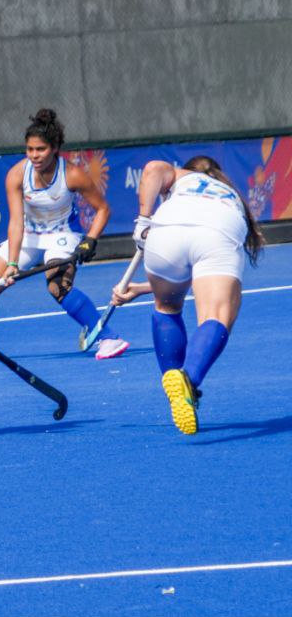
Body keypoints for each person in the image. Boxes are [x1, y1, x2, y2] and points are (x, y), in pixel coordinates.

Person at [0, 109, 130, 362]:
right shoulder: (16, 174)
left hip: (63, 234)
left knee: (58, 287)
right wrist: (12, 264)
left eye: (41, 149)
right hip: (28, 235)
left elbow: (103, 210)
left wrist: (91, 240)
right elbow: (15, 222)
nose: (34, 155)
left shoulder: (73, 174)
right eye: (30, 149)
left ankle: (108, 338)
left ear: (55, 148)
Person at [109, 156, 263, 435]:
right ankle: (188, 379)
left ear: (190, 168)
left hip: (166, 231)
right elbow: (204, 274)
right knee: (216, 316)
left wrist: (143, 222)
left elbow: (154, 168)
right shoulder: (229, 195)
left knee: (166, 305)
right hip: (218, 229)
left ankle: (176, 393)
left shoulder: (182, 178)